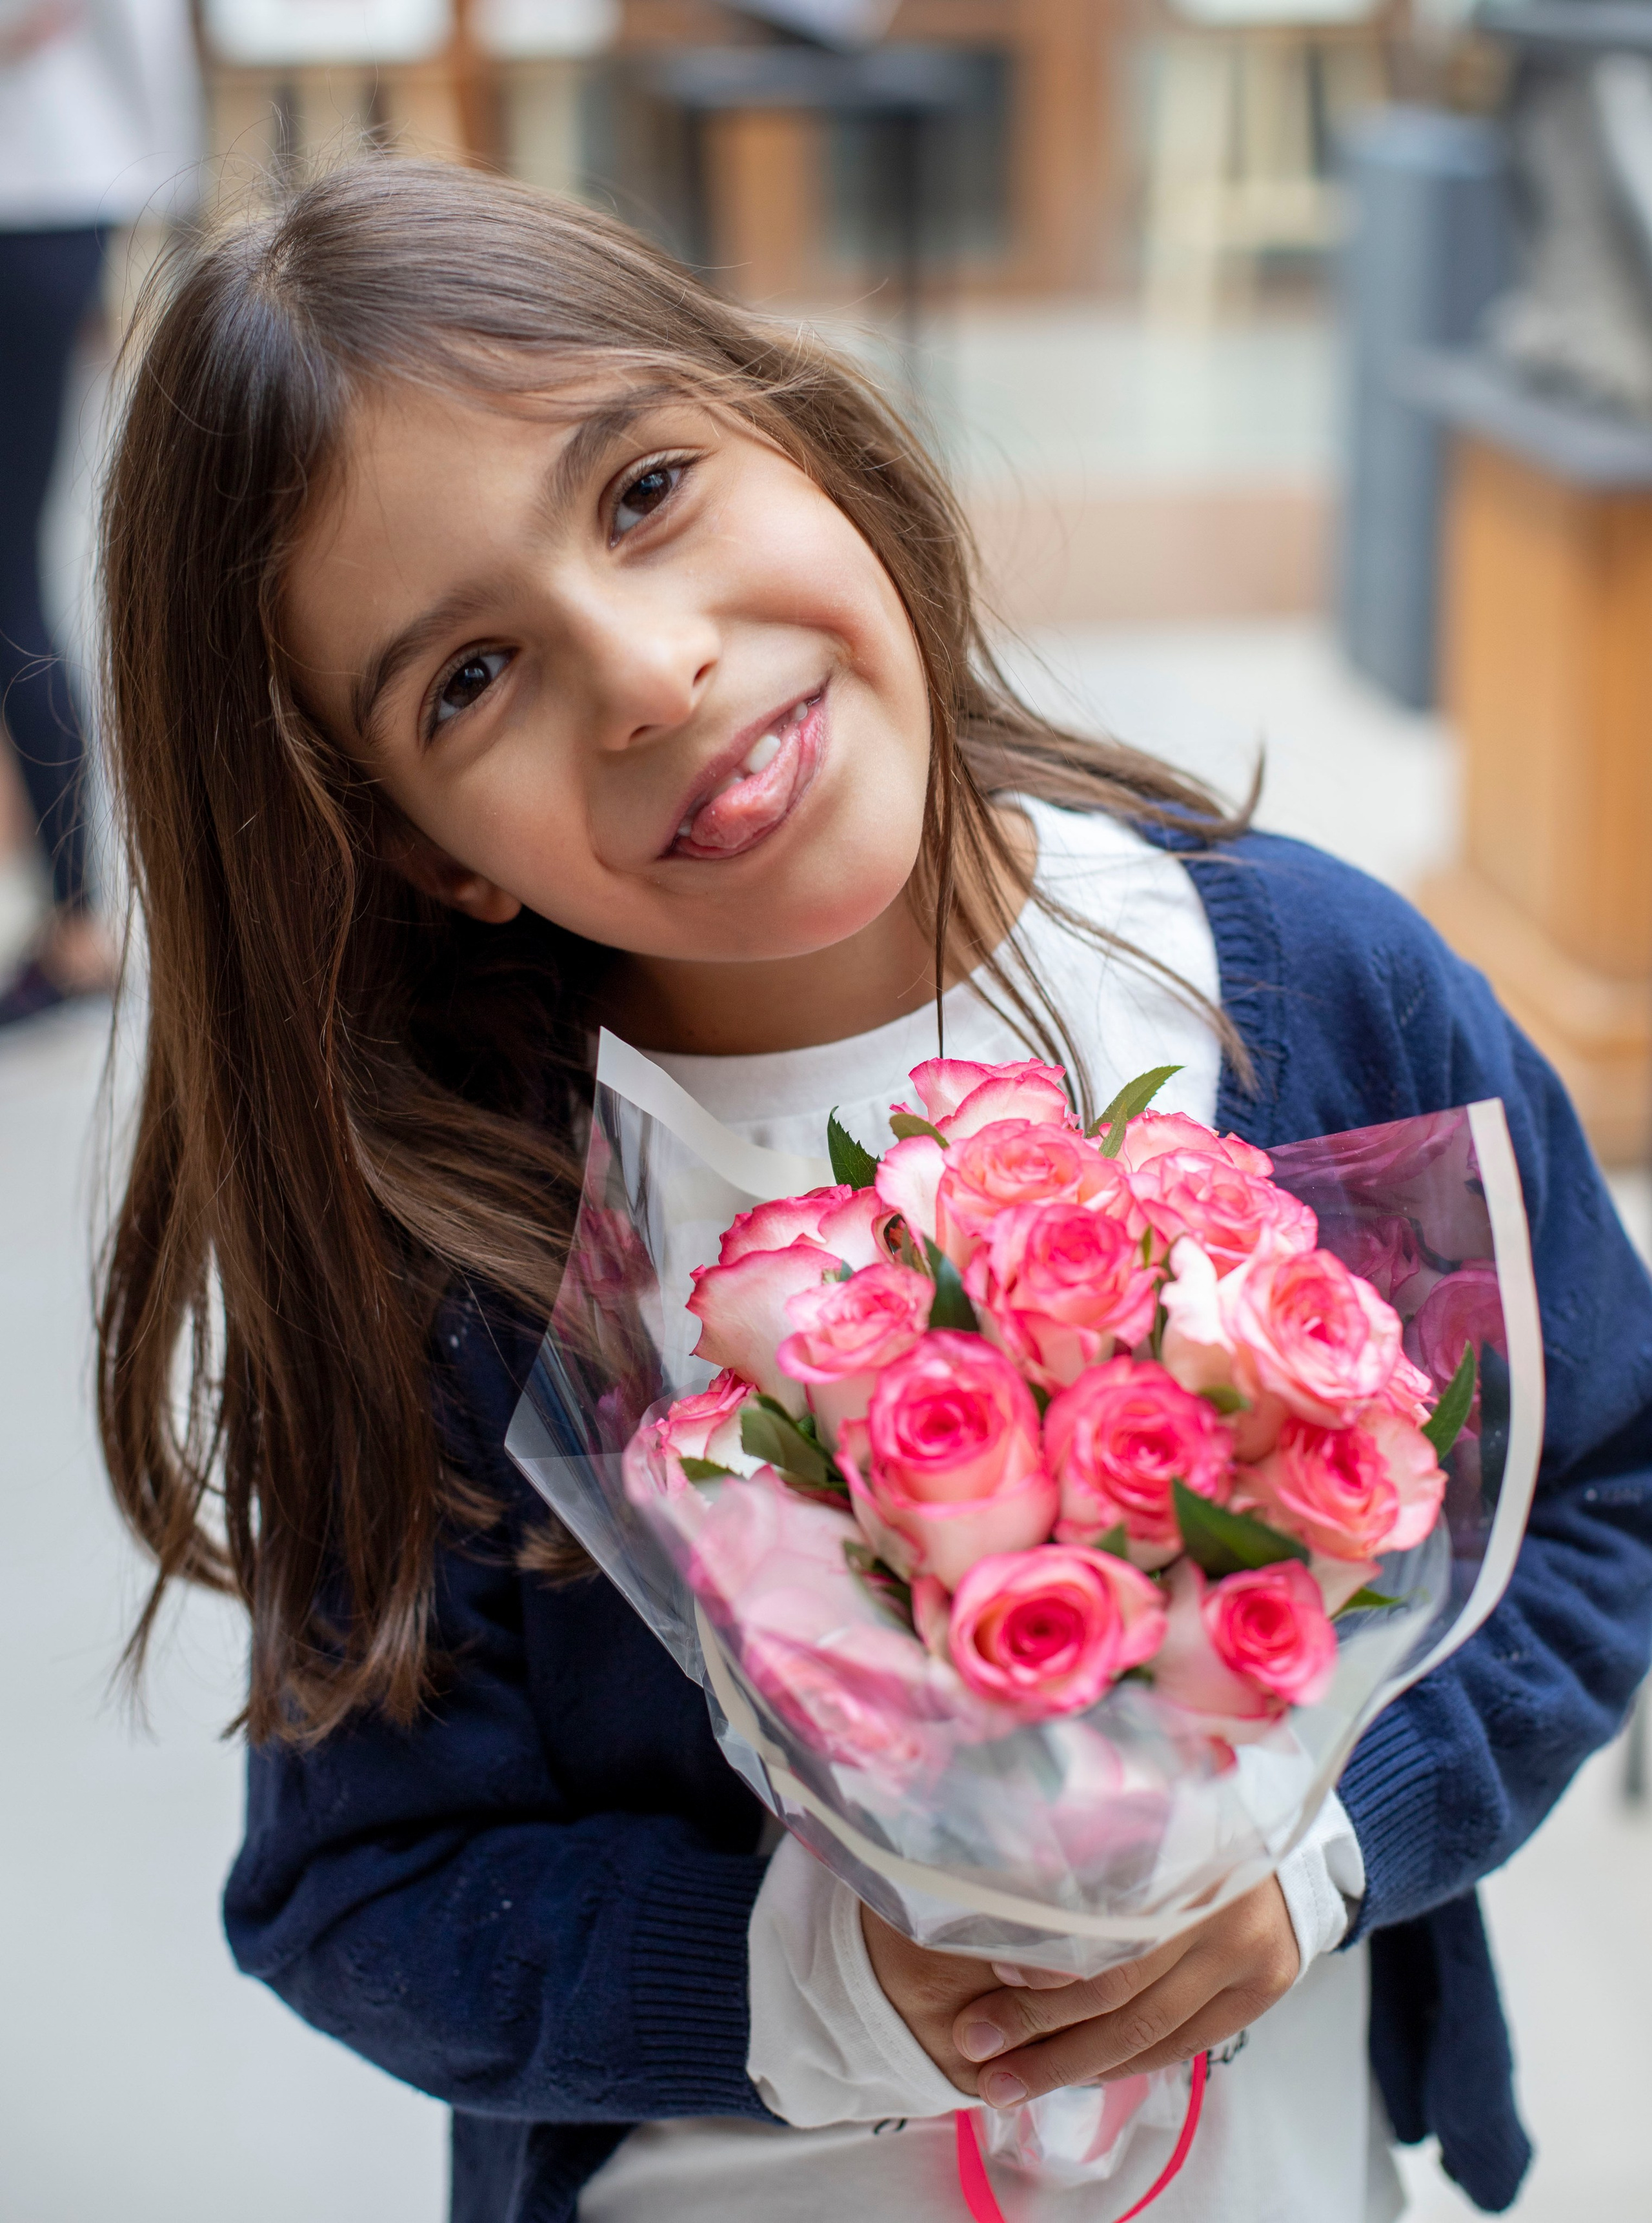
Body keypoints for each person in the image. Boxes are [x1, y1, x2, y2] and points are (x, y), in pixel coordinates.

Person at [94, 160, 1652, 2223]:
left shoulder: (1316, 992)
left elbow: (1604, 1491)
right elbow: (357, 1884)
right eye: (468, 677)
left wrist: (1329, 1839)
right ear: (422, 848)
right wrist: (818, 1977)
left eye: (643, 487)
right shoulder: (469, 1266)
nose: (645, 670)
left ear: (803, 436)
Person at [0, 0, 198, 1024]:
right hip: (50, 188)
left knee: (7, 577)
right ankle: (72, 910)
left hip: (28, 194)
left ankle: (79, 926)